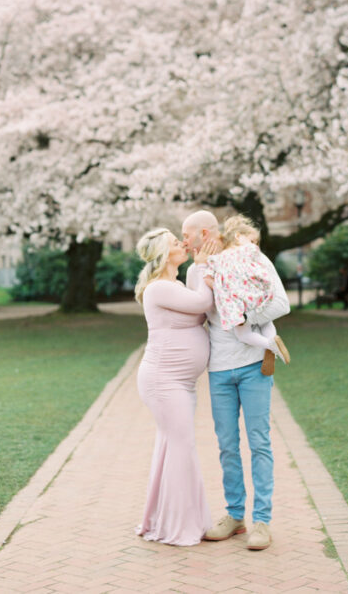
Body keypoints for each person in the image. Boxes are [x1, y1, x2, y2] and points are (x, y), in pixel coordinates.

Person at [181, 210, 290, 551]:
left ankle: (262, 521)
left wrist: (244, 316)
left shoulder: (253, 257)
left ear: (205, 233)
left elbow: (281, 303)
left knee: (259, 442)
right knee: (227, 445)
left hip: (254, 365)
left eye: (188, 236)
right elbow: (194, 313)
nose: (185, 242)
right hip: (219, 370)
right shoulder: (194, 269)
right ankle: (234, 515)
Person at [132, 228, 216, 546]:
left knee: (173, 447)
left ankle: (169, 520)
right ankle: (180, 527)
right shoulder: (158, 289)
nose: (182, 243)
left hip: (180, 381)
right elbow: (202, 303)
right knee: (182, 447)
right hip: (164, 381)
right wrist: (204, 265)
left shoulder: (174, 284)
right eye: (174, 242)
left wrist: (198, 268)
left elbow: (198, 308)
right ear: (164, 254)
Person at [202, 214, 290, 375]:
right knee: (266, 321)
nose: (255, 244)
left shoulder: (217, 259)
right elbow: (261, 268)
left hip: (237, 303)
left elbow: (207, 278)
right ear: (238, 236)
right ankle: (272, 342)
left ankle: (269, 345)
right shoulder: (250, 251)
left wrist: (220, 288)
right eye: (252, 240)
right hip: (255, 295)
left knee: (243, 334)